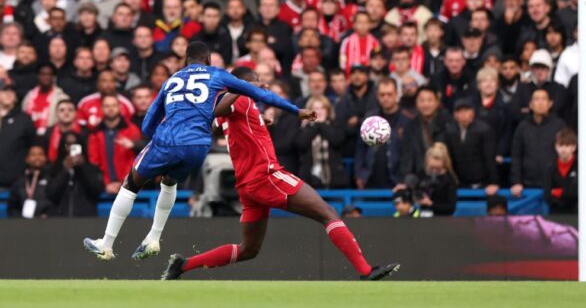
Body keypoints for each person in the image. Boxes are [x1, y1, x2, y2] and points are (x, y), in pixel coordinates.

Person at [83, 41, 316, 261]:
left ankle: (106, 244)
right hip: (198, 147)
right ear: (209, 58)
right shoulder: (217, 74)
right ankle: (153, 238)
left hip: (169, 140)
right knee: (169, 182)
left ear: (186, 60)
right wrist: (296, 111)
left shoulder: (173, 79)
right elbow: (262, 95)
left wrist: (159, 143)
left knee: (131, 183)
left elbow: (146, 126)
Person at [161, 66, 398, 280]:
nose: (260, 84)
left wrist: (261, 119)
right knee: (327, 213)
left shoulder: (241, 109)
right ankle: (366, 271)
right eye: (255, 80)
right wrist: (256, 94)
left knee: (249, 249)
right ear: (243, 83)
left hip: (247, 185)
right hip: (266, 176)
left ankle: (183, 265)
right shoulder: (239, 99)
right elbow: (220, 108)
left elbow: (228, 120)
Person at [354, 77, 409, 190]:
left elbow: (409, 154)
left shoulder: (407, 120)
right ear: (377, 96)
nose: (386, 98)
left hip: (397, 180)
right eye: (382, 95)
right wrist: (359, 174)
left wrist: (404, 179)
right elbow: (360, 148)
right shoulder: (369, 118)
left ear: (397, 95)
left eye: (389, 94)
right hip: (370, 180)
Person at [509, 88, 565, 197]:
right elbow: (517, 156)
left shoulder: (560, 126)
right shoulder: (523, 127)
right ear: (530, 104)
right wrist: (516, 182)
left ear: (550, 104)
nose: (540, 102)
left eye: (544, 99)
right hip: (528, 185)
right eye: (536, 99)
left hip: (554, 185)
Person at [87, 94, 142, 194]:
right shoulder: (95, 133)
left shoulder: (131, 129)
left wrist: (125, 182)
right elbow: (94, 163)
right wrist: (105, 184)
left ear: (119, 107)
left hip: (130, 186)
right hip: (105, 188)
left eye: (113, 105)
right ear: (101, 108)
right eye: (107, 106)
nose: (110, 109)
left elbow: (137, 159)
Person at [444, 97, 497, 191]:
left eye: (466, 110)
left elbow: (489, 157)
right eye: (460, 111)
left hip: (482, 181)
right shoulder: (450, 131)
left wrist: (493, 182)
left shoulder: (483, 129)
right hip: (459, 182)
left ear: (472, 112)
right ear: (455, 114)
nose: (463, 114)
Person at [0, 83, 36, 190]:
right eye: (4, 91)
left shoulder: (24, 119)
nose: (9, 94)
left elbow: (32, 146)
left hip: (15, 181)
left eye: (12, 91)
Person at [21, 63, 70, 136]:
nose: (46, 77)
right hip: (29, 136)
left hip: (51, 136)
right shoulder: (29, 96)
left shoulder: (62, 98)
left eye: (49, 74)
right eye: (43, 74)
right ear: (38, 76)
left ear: (53, 77)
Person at [8, 145, 52, 218]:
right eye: (33, 155)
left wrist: (48, 216)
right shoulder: (19, 182)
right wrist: (20, 220)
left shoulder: (52, 180)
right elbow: (12, 207)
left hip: (47, 224)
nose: (37, 157)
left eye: (40, 154)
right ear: (27, 159)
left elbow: (56, 204)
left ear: (45, 158)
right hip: (23, 225)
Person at [543, 128, 578, 214]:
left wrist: (559, 192)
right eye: (560, 145)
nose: (563, 149)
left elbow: (576, 192)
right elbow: (547, 194)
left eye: (567, 145)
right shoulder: (550, 167)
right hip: (555, 212)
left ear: (574, 147)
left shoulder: (580, 166)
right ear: (556, 147)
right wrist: (566, 193)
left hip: (575, 212)